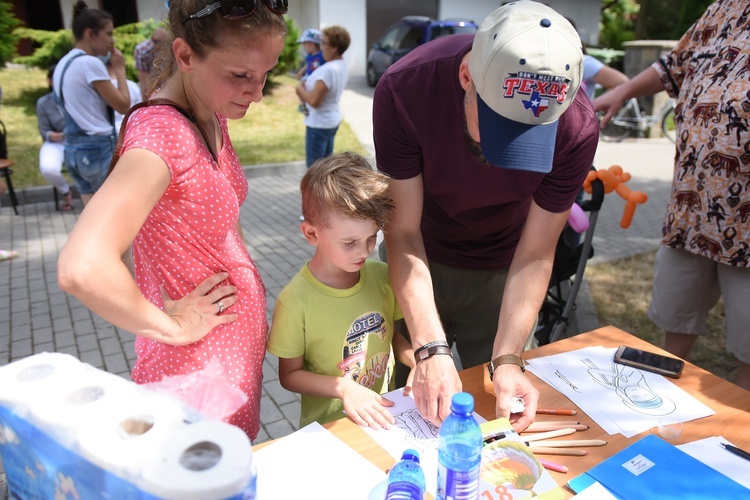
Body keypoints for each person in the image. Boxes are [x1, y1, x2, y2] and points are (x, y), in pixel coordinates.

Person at [56, 0, 289, 440]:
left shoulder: (209, 111)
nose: (256, 93)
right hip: (196, 372)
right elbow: (82, 268)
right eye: (240, 75)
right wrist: (170, 325)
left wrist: (249, 288)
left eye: (265, 75)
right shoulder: (164, 135)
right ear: (185, 56)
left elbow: (220, 222)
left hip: (227, 357)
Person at [372, 1, 598, 430]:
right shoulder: (405, 89)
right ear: (466, 76)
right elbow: (403, 231)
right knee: (401, 407)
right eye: (500, 125)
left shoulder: (577, 127)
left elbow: (535, 252)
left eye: (531, 134)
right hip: (420, 257)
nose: (506, 156)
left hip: (504, 269)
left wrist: (509, 358)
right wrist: (429, 348)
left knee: (502, 408)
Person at [594, 0, 750, 391]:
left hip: (746, 230)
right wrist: (624, 91)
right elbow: (672, 66)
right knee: (674, 323)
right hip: (690, 212)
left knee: (748, 349)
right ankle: (662, 409)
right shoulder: (723, 9)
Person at [266, 152, 415, 429]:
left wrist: (417, 361)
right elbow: (290, 375)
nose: (365, 250)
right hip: (330, 430)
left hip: (385, 417)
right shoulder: (294, 302)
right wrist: (344, 388)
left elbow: (392, 336)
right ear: (311, 234)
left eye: (372, 237)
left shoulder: (382, 275)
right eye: (349, 242)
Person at [52, 1, 131, 207]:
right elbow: (123, 105)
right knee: (112, 216)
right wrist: (120, 69)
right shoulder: (90, 63)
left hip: (73, 149)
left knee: (91, 214)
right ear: (90, 34)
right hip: (98, 147)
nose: (112, 41)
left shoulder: (64, 62)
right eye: (108, 34)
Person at [295, 25, 349, 168]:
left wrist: (299, 89)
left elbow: (314, 101)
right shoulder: (341, 64)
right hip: (330, 120)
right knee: (326, 170)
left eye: (324, 43)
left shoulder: (328, 70)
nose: (321, 46)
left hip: (319, 124)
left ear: (335, 47)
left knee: (315, 173)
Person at [36, 66, 73, 211]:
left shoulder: (76, 97)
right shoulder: (43, 103)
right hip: (56, 141)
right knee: (48, 168)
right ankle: (65, 191)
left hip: (79, 140)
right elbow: (45, 132)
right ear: (50, 81)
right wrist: (62, 135)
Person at [104, 58, 142, 133]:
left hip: (108, 133)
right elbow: (139, 111)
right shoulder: (133, 86)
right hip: (130, 132)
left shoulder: (101, 88)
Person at [295, 28, 325, 115]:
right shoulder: (309, 56)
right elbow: (307, 65)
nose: (304, 48)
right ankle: (303, 104)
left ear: (311, 45)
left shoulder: (321, 56)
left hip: (317, 78)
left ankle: (306, 104)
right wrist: (301, 71)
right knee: (301, 87)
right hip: (309, 76)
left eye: (304, 45)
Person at [134, 27, 168, 98]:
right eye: (156, 41)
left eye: (160, 42)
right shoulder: (142, 50)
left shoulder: (170, 48)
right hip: (150, 80)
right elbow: (144, 81)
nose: (158, 45)